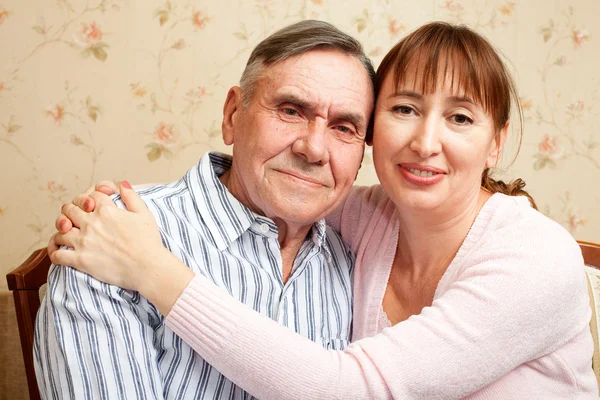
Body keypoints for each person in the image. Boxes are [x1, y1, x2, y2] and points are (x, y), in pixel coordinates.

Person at [51, 22, 598, 398]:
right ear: (233, 114)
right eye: (404, 109)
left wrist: (151, 268)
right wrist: (118, 212)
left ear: (496, 143)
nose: (426, 142)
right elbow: (269, 186)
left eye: (460, 118)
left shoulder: (535, 258)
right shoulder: (361, 219)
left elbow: (348, 389)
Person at [34, 20, 376, 399]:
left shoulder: (357, 262)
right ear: (233, 115)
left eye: (344, 128)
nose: (313, 149)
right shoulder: (107, 238)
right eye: (291, 110)